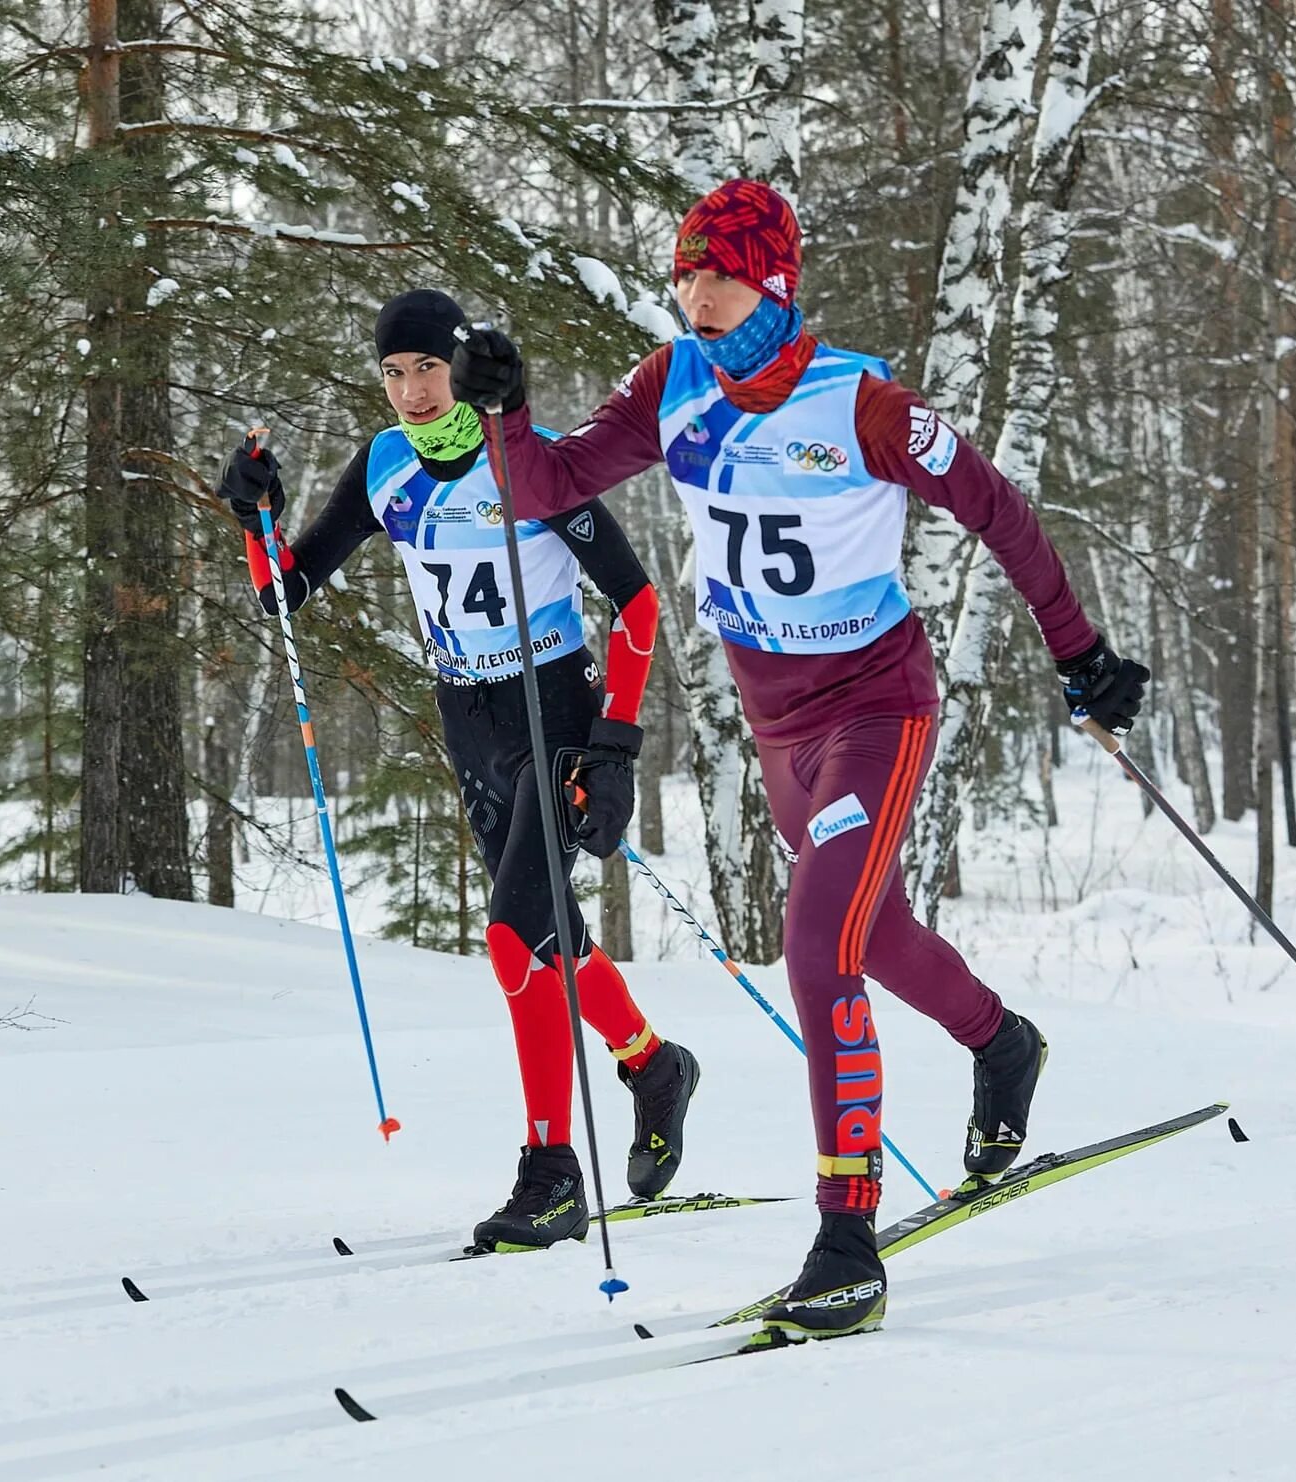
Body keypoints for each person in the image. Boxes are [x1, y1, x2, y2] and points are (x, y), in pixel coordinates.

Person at [449, 179, 1148, 1340]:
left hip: (876, 708)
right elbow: (547, 487)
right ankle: (1000, 1040)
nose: (691, 296)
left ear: (774, 285)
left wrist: (1078, 654)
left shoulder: (860, 403)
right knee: (869, 932)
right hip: (777, 729)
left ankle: (846, 1235)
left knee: (815, 945)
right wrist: (507, 413)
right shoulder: (670, 383)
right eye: (679, 275)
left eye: (714, 275)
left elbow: (997, 510)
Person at [218, 288, 700, 1251]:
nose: (412, 391)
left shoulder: (528, 461)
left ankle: (551, 1171)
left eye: (427, 369)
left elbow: (638, 604)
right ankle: (652, 1065)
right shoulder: (386, 466)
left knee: (514, 936)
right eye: (393, 374)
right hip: (468, 716)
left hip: (551, 704)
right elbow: (286, 592)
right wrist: (253, 515)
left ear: (459, 365)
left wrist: (614, 744)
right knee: (546, 941)